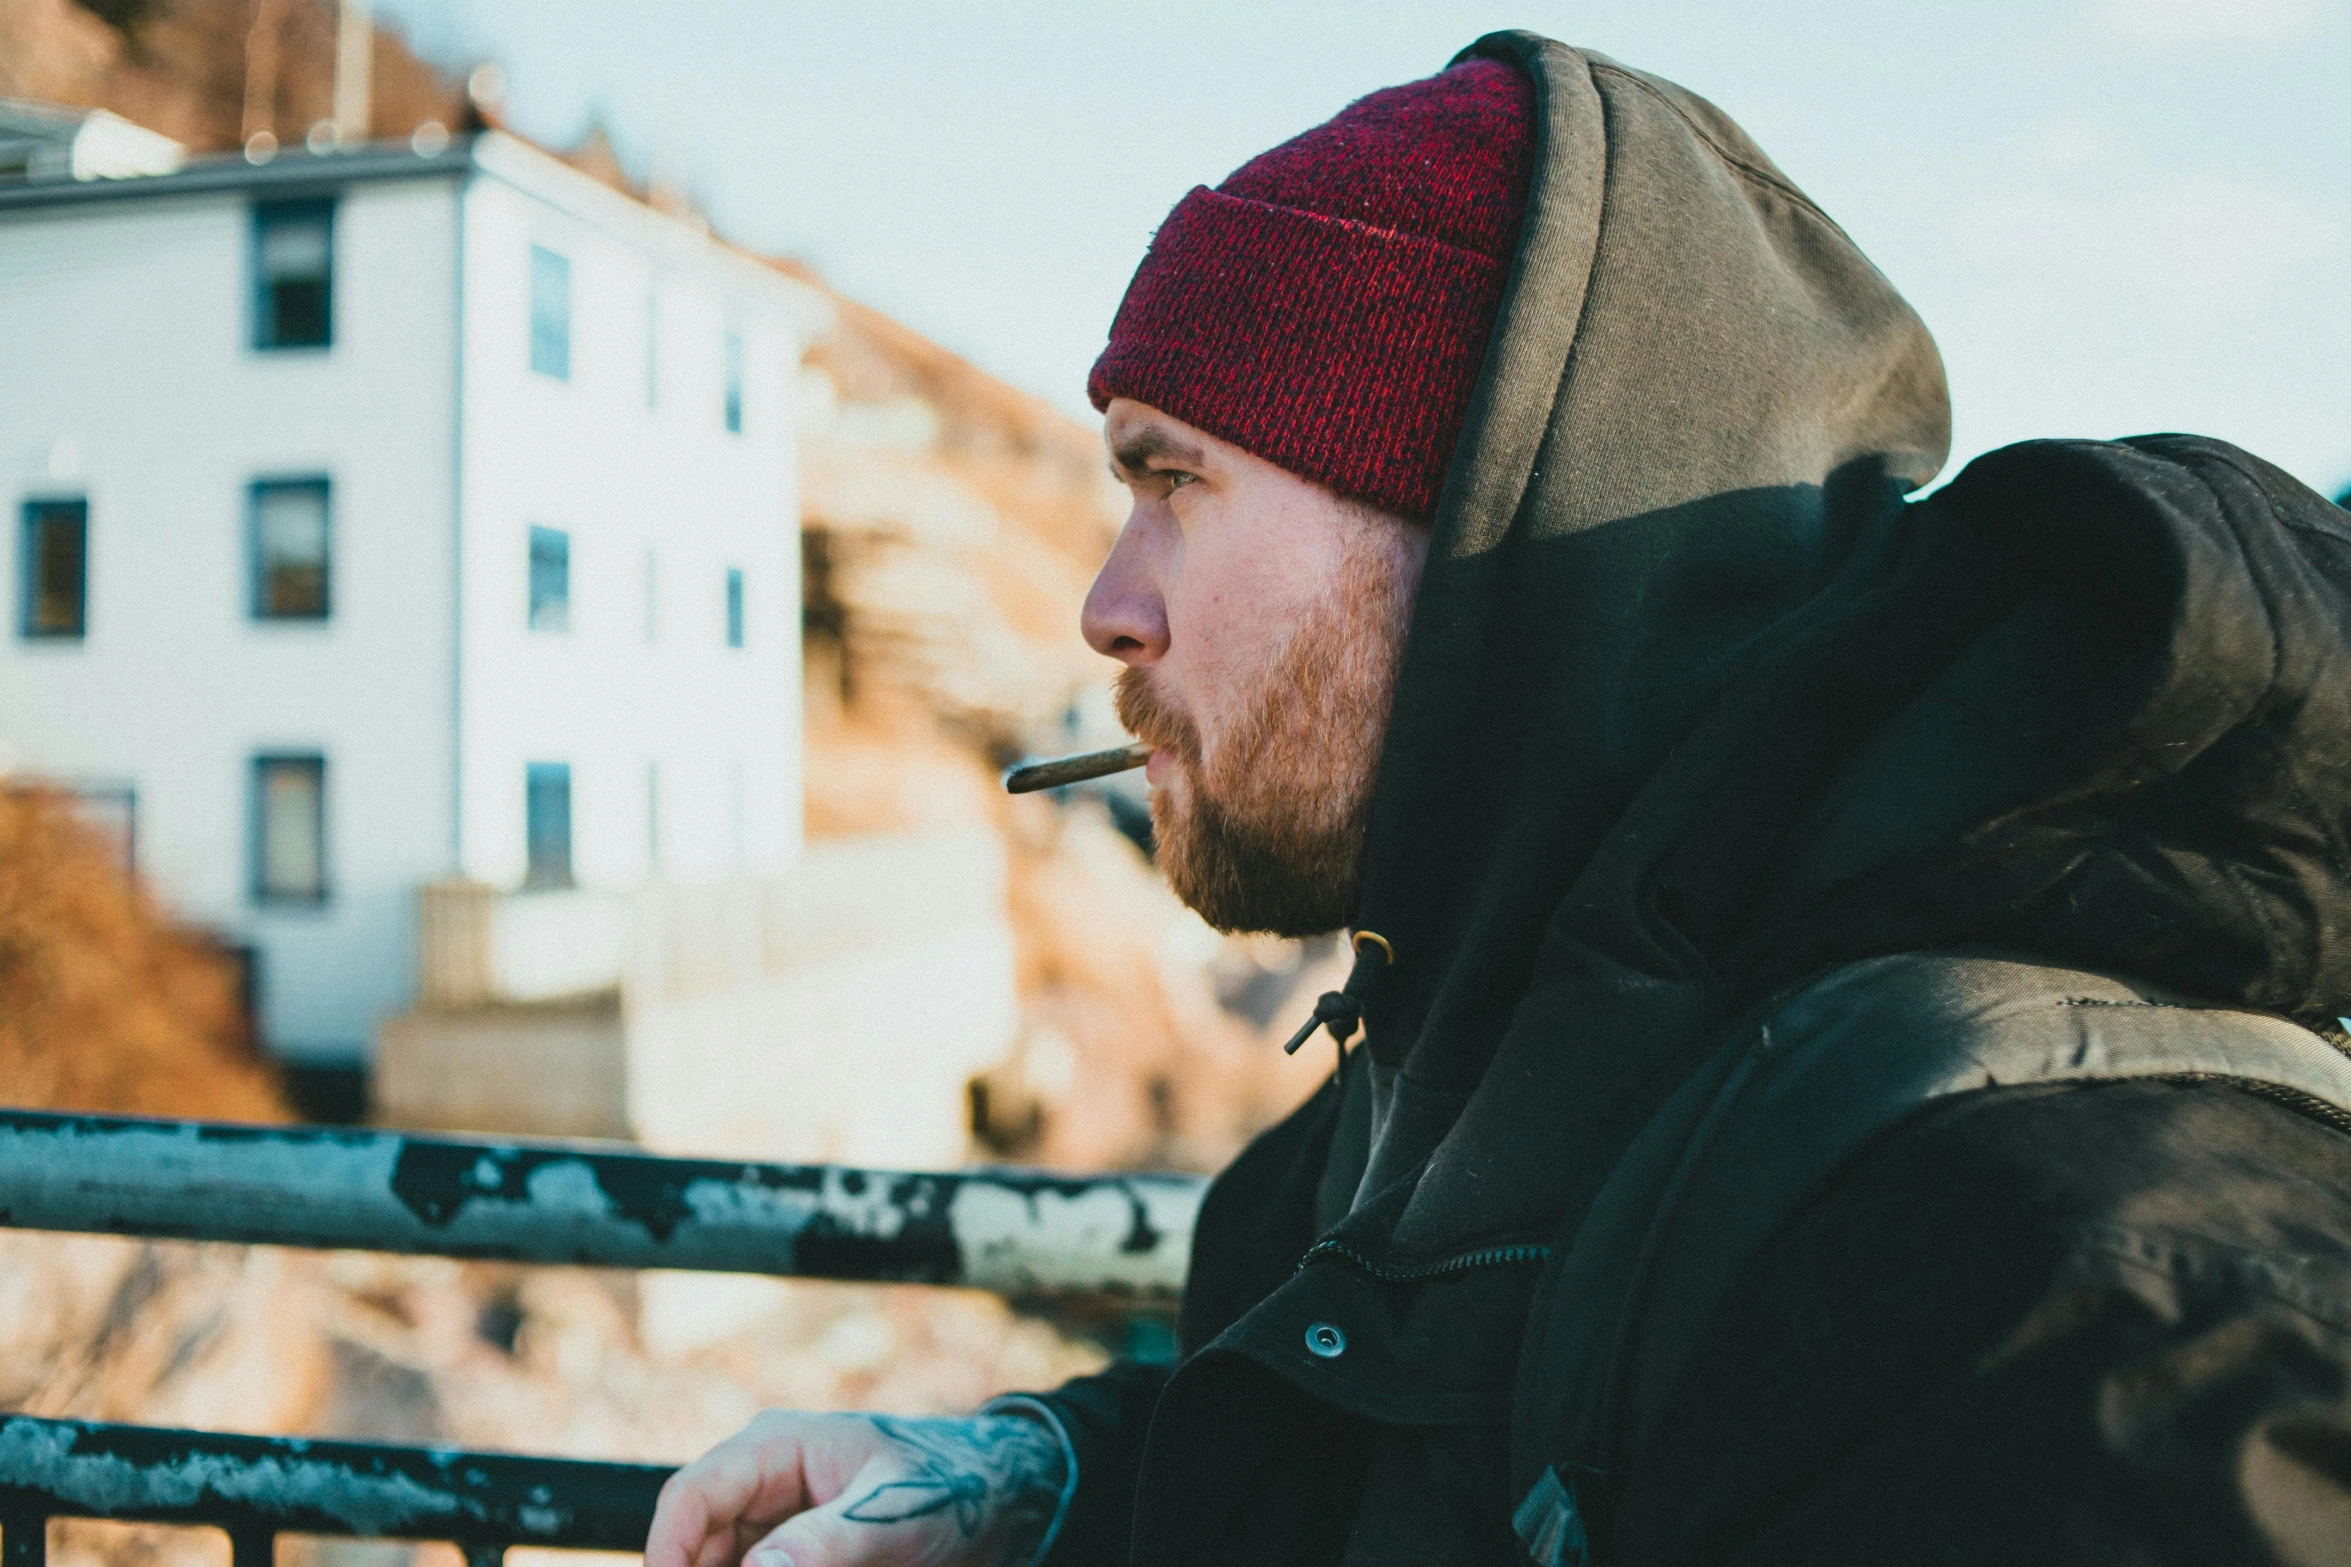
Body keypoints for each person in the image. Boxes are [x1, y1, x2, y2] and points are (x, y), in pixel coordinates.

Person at [644, 30, 2351, 1567]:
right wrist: (1050, 1478)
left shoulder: (2038, 1291)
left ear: (1478, 538)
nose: (1107, 601)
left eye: (1175, 480)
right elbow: (1407, 1456)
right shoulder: (1449, 1084)